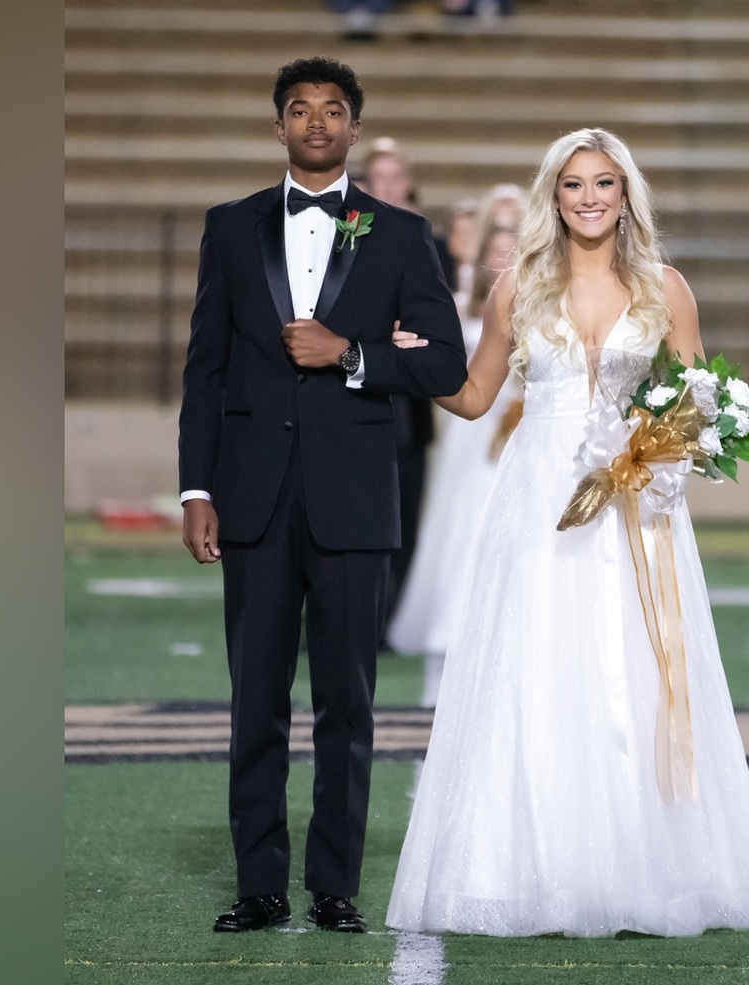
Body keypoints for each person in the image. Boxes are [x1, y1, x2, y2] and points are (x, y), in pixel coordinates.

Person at [385, 128, 749, 937]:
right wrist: (410, 362)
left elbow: (698, 398)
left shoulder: (666, 287)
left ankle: (647, 872)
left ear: (625, 195)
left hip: (637, 507)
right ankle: (532, 873)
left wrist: (659, 448)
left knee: (634, 668)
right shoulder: (517, 286)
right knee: (536, 664)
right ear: (554, 195)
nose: (588, 198)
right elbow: (473, 398)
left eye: (604, 183)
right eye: (573, 184)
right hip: (539, 498)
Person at [178, 56, 467, 935]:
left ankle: (334, 886)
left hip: (354, 499)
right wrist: (197, 487)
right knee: (255, 701)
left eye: (332, 110)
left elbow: (444, 365)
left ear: (353, 127)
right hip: (252, 499)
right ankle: (259, 886)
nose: (315, 122)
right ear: (279, 126)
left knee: (348, 704)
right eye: (300, 109)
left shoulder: (402, 233)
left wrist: (349, 354)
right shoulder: (230, 227)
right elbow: (205, 368)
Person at [387, 187, 527, 704]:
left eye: (515, 230)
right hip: (470, 426)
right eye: (499, 229)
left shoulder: (537, 291)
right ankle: (451, 619)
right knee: (462, 517)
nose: (505, 240)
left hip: (520, 423)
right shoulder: (462, 290)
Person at [359, 136, 456, 624]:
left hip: (409, 411)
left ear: (410, 184)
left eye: (396, 177)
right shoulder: (344, 236)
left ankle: (390, 618)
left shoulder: (431, 246)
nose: (388, 186)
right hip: (354, 396)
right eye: (379, 177)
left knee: (404, 516)